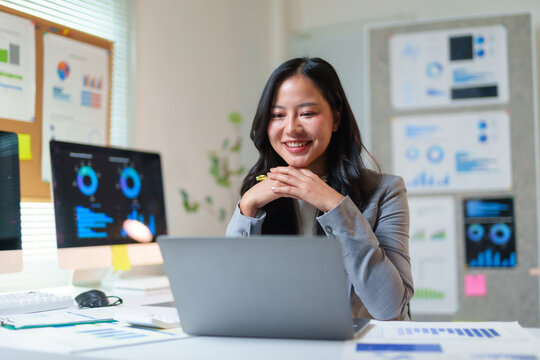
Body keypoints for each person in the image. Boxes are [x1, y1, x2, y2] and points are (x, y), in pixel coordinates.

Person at [226, 57, 413, 320]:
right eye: (277, 115)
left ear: (336, 118)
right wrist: (245, 211)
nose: (291, 128)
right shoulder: (257, 193)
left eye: (307, 113)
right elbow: (232, 298)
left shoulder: (386, 191)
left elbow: (389, 308)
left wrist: (336, 207)